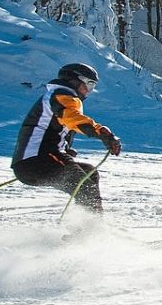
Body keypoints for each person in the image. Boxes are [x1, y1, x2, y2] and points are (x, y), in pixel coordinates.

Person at [11, 63, 121, 215]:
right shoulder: (62, 95)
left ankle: (83, 224)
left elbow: (56, 128)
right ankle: (93, 229)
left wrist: (66, 150)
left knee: (89, 173)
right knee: (83, 185)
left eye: (93, 86)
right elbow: (73, 119)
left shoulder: (59, 97)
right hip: (37, 160)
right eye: (88, 84)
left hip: (34, 162)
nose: (88, 91)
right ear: (75, 81)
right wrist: (101, 132)